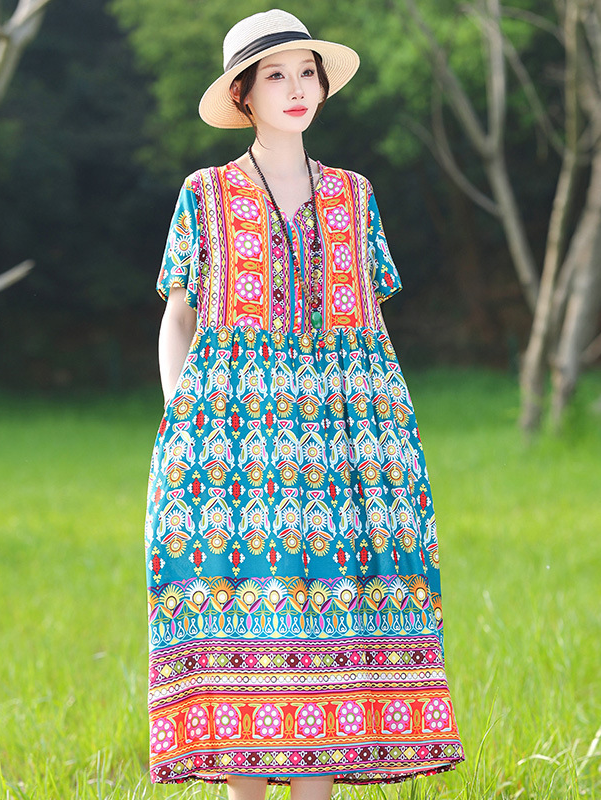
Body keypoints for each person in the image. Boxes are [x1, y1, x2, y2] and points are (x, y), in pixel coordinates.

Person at [144, 9, 464, 799]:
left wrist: (393, 438)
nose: (297, 89)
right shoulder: (205, 193)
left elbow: (373, 320)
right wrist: (182, 422)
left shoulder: (354, 194)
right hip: (230, 431)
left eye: (307, 73)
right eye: (276, 75)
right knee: (238, 607)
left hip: (345, 430)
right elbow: (178, 316)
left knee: (334, 612)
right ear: (244, 94)